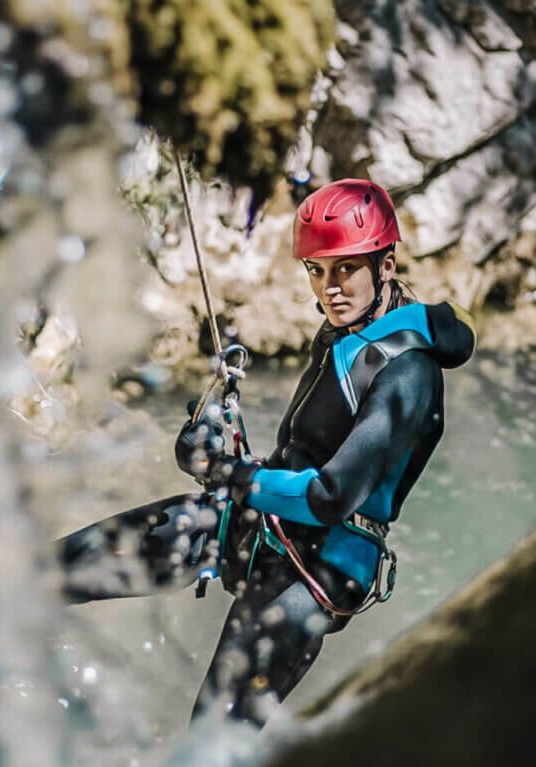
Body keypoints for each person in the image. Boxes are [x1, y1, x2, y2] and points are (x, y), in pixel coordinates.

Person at [57, 178, 475, 728]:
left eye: (346, 267)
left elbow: (330, 495)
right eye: (317, 270)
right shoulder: (344, 335)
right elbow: (299, 462)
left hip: (316, 574)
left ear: (386, 264)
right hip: (265, 525)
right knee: (62, 568)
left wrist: (229, 474)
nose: (330, 287)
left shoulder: (408, 373)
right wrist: (221, 451)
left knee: (211, 737)